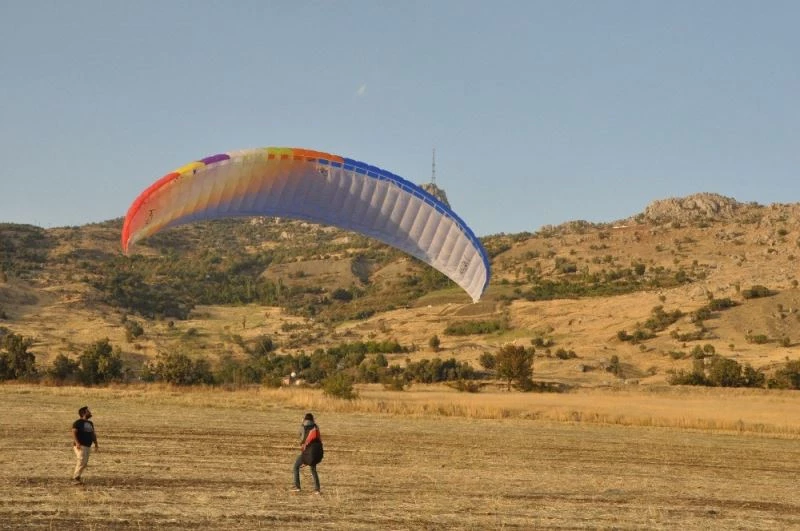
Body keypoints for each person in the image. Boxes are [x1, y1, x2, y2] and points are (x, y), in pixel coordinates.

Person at [291, 412, 323, 494]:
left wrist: (302, 423)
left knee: (296, 466)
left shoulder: (303, 427)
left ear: (305, 419)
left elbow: (302, 440)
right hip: (316, 452)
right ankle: (317, 489)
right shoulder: (316, 427)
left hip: (307, 452)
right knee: (313, 469)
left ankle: (297, 486)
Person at [71, 406, 98, 483]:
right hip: (80, 445)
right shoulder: (78, 423)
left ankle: (77, 477)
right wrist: (77, 443)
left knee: (85, 463)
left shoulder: (90, 423)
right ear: (83, 413)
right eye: (88, 411)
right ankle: (75, 478)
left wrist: (96, 443)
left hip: (87, 445)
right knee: (81, 460)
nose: (90, 412)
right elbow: (73, 433)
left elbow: (93, 434)